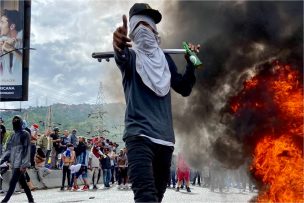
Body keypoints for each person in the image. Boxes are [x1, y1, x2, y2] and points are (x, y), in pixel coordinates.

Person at [112, 3, 199, 202]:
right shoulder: (130, 57)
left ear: (155, 30)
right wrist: (116, 43)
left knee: (157, 196)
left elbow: (184, 88)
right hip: (139, 137)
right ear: (131, 30)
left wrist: (191, 63)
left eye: (149, 24)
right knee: (145, 197)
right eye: (139, 24)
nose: (144, 28)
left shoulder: (166, 61)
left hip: (165, 141)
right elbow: (120, 53)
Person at [0, 116, 34, 203]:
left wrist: (24, 165)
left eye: (17, 121)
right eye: (14, 121)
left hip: (20, 164)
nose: (15, 122)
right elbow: (8, 151)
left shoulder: (25, 134)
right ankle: (31, 200)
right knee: (23, 183)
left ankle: (4, 201)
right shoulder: (13, 135)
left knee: (12, 183)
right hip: (14, 163)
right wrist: (1, 160)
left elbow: (27, 150)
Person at [0, 10, 23, 82]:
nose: (0, 25)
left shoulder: (24, 41)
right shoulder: (3, 41)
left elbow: (29, 64)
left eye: (2, 22)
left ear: (12, 26)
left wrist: (12, 50)